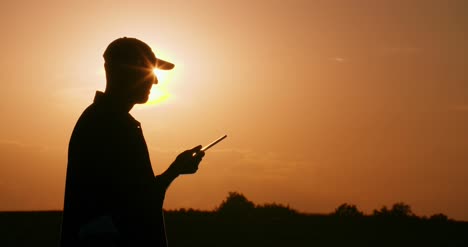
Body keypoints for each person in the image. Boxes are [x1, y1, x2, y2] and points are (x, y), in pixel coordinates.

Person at [60, 37, 205, 247]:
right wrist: (174, 171)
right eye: (148, 71)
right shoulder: (108, 125)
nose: (155, 81)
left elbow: (138, 197)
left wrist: (175, 170)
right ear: (125, 72)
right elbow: (125, 210)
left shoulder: (106, 121)